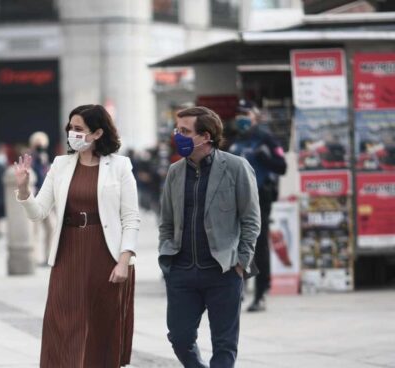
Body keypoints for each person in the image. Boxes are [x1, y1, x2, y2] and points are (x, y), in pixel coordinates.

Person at [14, 104, 140, 368]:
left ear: (97, 133)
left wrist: (123, 260)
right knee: (62, 324)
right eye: (70, 128)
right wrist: (25, 190)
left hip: (105, 255)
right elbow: (38, 213)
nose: (72, 133)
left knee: (100, 327)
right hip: (68, 253)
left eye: (79, 128)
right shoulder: (60, 165)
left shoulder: (120, 166)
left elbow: (131, 218)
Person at [159, 106, 260, 368]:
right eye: (177, 130)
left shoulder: (237, 167)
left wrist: (242, 261)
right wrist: (166, 258)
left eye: (184, 131)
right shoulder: (174, 172)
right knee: (179, 338)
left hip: (223, 270)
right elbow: (166, 221)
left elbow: (251, 219)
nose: (177, 136)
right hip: (182, 271)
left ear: (205, 136)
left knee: (224, 345)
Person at [228, 99, 287, 312]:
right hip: (236, 200)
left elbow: (282, 167)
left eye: (246, 114)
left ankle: (261, 293)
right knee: (238, 244)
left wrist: (266, 158)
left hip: (260, 198)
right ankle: (241, 287)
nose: (241, 118)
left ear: (255, 116)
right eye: (239, 114)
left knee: (258, 245)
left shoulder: (266, 139)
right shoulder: (236, 142)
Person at [28, 131, 56, 265]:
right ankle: (33, 259)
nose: (40, 147)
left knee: (51, 227)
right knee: (35, 230)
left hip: (46, 198)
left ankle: (47, 257)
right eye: (38, 144)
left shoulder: (44, 158)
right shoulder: (30, 158)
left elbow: (47, 176)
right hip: (35, 198)